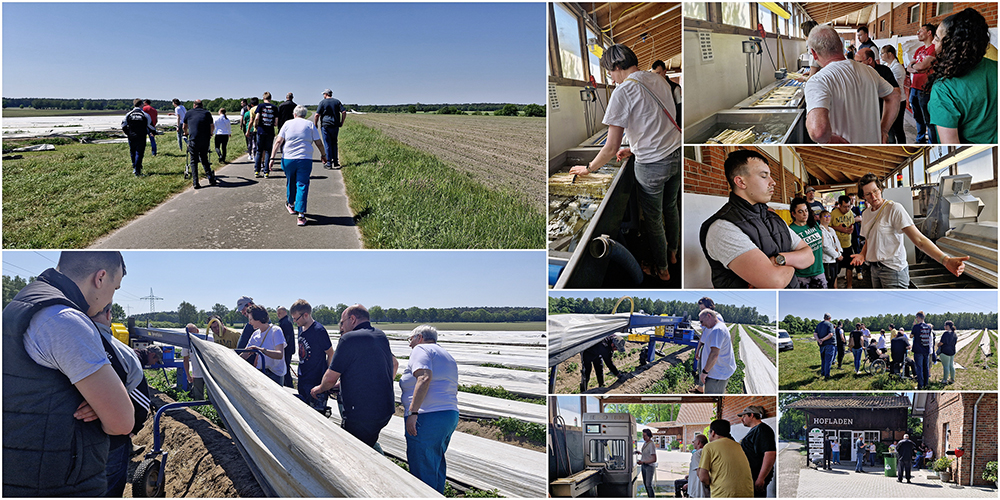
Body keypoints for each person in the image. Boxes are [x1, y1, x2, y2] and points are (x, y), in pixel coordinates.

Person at [2, 251, 133, 496]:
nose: (108, 300)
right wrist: (103, 403)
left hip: (20, 467)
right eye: (115, 288)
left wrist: (94, 400)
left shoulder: (23, 302)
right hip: (55, 481)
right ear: (100, 278)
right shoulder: (65, 321)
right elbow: (122, 421)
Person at [570, 44, 681, 282]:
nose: (610, 77)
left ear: (617, 66)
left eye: (609, 72)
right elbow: (655, 121)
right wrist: (633, 147)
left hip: (652, 165)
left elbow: (610, 148)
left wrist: (588, 169)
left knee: (653, 219)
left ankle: (662, 270)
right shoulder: (657, 79)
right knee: (671, 207)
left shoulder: (623, 91)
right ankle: (673, 253)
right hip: (676, 154)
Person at [699, 150, 814, 288]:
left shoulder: (774, 218)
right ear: (741, 182)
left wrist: (780, 260)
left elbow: (809, 255)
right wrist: (794, 264)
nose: (773, 183)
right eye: (764, 176)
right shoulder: (723, 227)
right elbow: (775, 281)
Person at [852, 173, 968, 288]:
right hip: (874, 269)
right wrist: (862, 254)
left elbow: (919, 240)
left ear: (881, 189)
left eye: (875, 191)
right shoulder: (866, 214)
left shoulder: (893, 209)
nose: (873, 196)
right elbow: (869, 239)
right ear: (863, 196)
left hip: (893, 271)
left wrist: (945, 260)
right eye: (868, 194)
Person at [311, 305, 398, 449]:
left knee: (355, 449)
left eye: (342, 322)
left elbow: (330, 378)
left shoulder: (349, 339)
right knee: (369, 443)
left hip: (361, 413)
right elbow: (394, 364)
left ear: (352, 319)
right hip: (384, 410)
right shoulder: (380, 335)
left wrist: (319, 389)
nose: (342, 327)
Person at [90, 302, 151, 497]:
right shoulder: (123, 353)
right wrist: (129, 432)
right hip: (111, 442)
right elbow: (141, 404)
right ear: (109, 314)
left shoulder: (57, 341)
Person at [804, 25, 898, 143]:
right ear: (841, 46)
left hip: (845, 154)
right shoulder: (868, 71)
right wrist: (883, 129)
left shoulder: (818, 80)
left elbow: (818, 132)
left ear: (814, 53)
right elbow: (894, 95)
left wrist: (830, 140)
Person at [400, 325, 459, 493]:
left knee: (422, 466)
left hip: (427, 416)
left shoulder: (421, 350)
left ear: (419, 337)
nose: (410, 344)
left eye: (410, 339)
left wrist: (413, 412)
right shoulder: (445, 354)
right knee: (435, 462)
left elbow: (424, 378)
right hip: (448, 415)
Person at [927, 8, 998, 144]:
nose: (933, 43)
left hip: (977, 158)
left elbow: (951, 146)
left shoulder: (944, 88)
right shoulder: (995, 68)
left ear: (951, 44)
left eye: (936, 38)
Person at [269, 105, 327, 226]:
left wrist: (272, 158)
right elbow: (318, 142)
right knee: (302, 184)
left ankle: (291, 204)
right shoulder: (309, 125)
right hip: (304, 159)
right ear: (305, 115)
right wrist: (323, 154)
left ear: (294, 114)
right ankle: (301, 215)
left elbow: (278, 141)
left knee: (291, 181)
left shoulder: (287, 124)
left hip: (288, 158)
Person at [289, 300, 334, 413]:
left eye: (296, 318)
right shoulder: (300, 328)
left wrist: (326, 378)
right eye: (293, 318)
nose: (294, 321)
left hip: (315, 381)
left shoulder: (319, 331)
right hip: (303, 378)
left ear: (306, 315)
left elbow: (330, 353)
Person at [698, 419, 753, 498]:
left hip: (723, 495)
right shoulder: (737, 446)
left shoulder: (709, 446)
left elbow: (703, 477)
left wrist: (708, 483)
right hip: (748, 493)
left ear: (713, 433)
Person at [907, 24, 938, 143]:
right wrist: (917, 68)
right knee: (917, 117)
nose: (918, 33)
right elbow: (910, 67)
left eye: (921, 31)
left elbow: (922, 66)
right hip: (914, 87)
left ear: (929, 33)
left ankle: (932, 142)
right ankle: (920, 139)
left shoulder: (934, 49)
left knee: (928, 119)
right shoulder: (919, 50)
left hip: (925, 89)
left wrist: (917, 67)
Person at [240, 304, 287, 385]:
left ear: (258, 319)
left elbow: (279, 355)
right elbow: (245, 354)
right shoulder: (255, 334)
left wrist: (260, 350)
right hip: (261, 373)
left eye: (251, 319)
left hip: (275, 375)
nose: (249, 322)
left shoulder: (276, 331)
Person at [788, 197, 827, 288]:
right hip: (802, 274)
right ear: (793, 214)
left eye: (806, 210)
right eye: (800, 212)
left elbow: (821, 240)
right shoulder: (791, 230)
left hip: (818, 270)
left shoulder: (814, 224)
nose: (805, 214)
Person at [738, 406, 776, 497]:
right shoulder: (755, 430)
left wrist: (761, 478)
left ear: (751, 415)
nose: (742, 420)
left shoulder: (762, 430)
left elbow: (770, 454)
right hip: (751, 476)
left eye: (744, 416)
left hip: (756, 477)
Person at [854, 47, 901, 121]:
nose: (856, 65)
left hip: (883, 111)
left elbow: (896, 92)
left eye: (859, 62)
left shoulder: (884, 71)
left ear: (869, 60)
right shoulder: (857, 73)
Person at [698, 309, 737, 393]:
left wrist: (704, 372)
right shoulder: (719, 327)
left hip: (717, 375)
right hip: (717, 372)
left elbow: (714, 354)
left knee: (712, 398)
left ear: (709, 316)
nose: (702, 325)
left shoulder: (717, 330)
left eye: (702, 321)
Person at [183, 99, 217, 189]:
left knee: (193, 161)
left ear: (194, 105)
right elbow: (212, 126)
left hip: (194, 139)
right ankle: (211, 179)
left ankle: (195, 182)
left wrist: (185, 132)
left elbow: (184, 126)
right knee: (204, 159)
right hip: (205, 139)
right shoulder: (207, 113)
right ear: (202, 105)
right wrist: (210, 133)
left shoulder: (189, 113)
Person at [880, 46, 908, 144]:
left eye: (883, 53)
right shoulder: (887, 65)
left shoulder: (897, 68)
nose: (881, 56)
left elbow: (891, 85)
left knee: (898, 128)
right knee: (891, 127)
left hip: (899, 101)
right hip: (890, 100)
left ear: (890, 54)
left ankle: (901, 145)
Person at [314, 89, 348, 169]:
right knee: (334, 142)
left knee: (327, 143)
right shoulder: (337, 102)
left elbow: (316, 115)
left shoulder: (322, 102)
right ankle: (335, 161)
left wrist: (315, 124)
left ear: (326, 94)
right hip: (335, 125)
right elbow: (343, 112)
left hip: (325, 125)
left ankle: (329, 163)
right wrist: (341, 122)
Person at [122, 98, 154, 177]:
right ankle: (137, 171)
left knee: (132, 152)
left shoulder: (129, 114)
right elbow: (150, 125)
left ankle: (134, 166)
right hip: (141, 136)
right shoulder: (144, 114)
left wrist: (127, 133)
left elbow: (123, 125)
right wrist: (153, 132)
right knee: (139, 153)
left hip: (131, 136)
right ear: (141, 105)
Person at [829, 196, 856, 288]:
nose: (847, 209)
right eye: (845, 206)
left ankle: (849, 286)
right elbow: (827, 227)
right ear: (839, 205)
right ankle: (835, 289)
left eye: (849, 206)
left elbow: (852, 223)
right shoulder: (832, 214)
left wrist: (851, 228)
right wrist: (839, 229)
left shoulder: (850, 212)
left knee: (850, 267)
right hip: (836, 247)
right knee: (835, 269)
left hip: (848, 244)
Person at [182, 323, 212, 400]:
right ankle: (199, 409)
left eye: (193, 332)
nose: (191, 335)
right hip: (197, 374)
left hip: (210, 373)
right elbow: (185, 359)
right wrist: (188, 375)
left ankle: (212, 410)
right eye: (189, 333)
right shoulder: (186, 343)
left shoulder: (209, 339)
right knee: (198, 395)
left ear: (197, 331)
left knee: (212, 395)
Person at [253, 92, 278, 178]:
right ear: (270, 98)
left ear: (263, 98)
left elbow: (257, 117)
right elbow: (276, 122)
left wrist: (256, 124)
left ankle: (257, 171)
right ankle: (266, 172)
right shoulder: (275, 108)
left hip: (261, 131)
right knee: (268, 151)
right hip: (270, 131)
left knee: (259, 151)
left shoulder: (260, 106)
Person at [651, 59, 682, 124]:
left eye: (658, 73)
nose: (655, 77)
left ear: (665, 72)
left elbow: (679, 110)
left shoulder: (675, 88)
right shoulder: (652, 88)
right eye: (653, 74)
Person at [910, 311, 934, 389]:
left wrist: (914, 325)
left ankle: (920, 385)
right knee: (926, 367)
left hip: (918, 349)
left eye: (916, 317)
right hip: (926, 349)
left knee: (919, 368)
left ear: (919, 317)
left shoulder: (916, 327)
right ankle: (926, 383)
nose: (916, 319)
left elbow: (911, 336)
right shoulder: (929, 327)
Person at [819, 210, 843, 287]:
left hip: (835, 259)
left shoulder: (831, 229)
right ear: (820, 218)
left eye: (829, 216)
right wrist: (837, 255)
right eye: (825, 216)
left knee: (834, 277)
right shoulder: (820, 230)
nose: (827, 218)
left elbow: (837, 242)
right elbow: (825, 246)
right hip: (827, 261)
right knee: (829, 281)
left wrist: (840, 253)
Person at [275, 306, 295, 388]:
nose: (278, 315)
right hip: (287, 349)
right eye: (277, 313)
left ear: (285, 313)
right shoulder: (285, 321)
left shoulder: (285, 323)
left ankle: (289, 386)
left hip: (286, 350)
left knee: (285, 370)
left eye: (280, 313)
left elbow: (285, 338)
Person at [637, 428, 658, 498]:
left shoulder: (651, 444)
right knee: (646, 484)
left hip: (649, 466)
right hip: (644, 465)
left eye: (645, 436)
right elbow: (647, 454)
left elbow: (654, 459)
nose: (643, 437)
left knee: (648, 484)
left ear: (649, 436)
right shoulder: (645, 443)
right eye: (643, 436)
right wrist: (640, 453)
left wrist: (643, 462)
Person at [815, 314, 836, 379]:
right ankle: (827, 375)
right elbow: (830, 334)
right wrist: (823, 339)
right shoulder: (830, 324)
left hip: (822, 345)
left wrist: (819, 340)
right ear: (829, 318)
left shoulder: (819, 325)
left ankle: (823, 372)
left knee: (823, 360)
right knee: (828, 360)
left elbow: (815, 334)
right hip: (829, 344)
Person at [937, 320, 958, 384]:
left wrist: (938, 345)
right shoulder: (954, 334)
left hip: (945, 352)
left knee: (946, 366)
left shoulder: (946, 333)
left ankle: (945, 380)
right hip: (952, 351)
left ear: (948, 326)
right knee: (951, 365)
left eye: (945, 325)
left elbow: (941, 343)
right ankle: (952, 379)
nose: (944, 327)